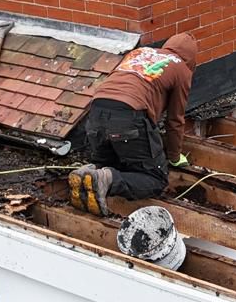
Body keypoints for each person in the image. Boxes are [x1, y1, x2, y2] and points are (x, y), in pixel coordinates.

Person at [69, 33, 198, 216]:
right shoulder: (181, 68)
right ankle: (107, 178)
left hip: (96, 111)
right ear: (190, 59)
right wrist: (174, 156)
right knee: (155, 179)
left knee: (109, 165)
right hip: (128, 116)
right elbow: (175, 120)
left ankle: (90, 173)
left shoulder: (139, 52)